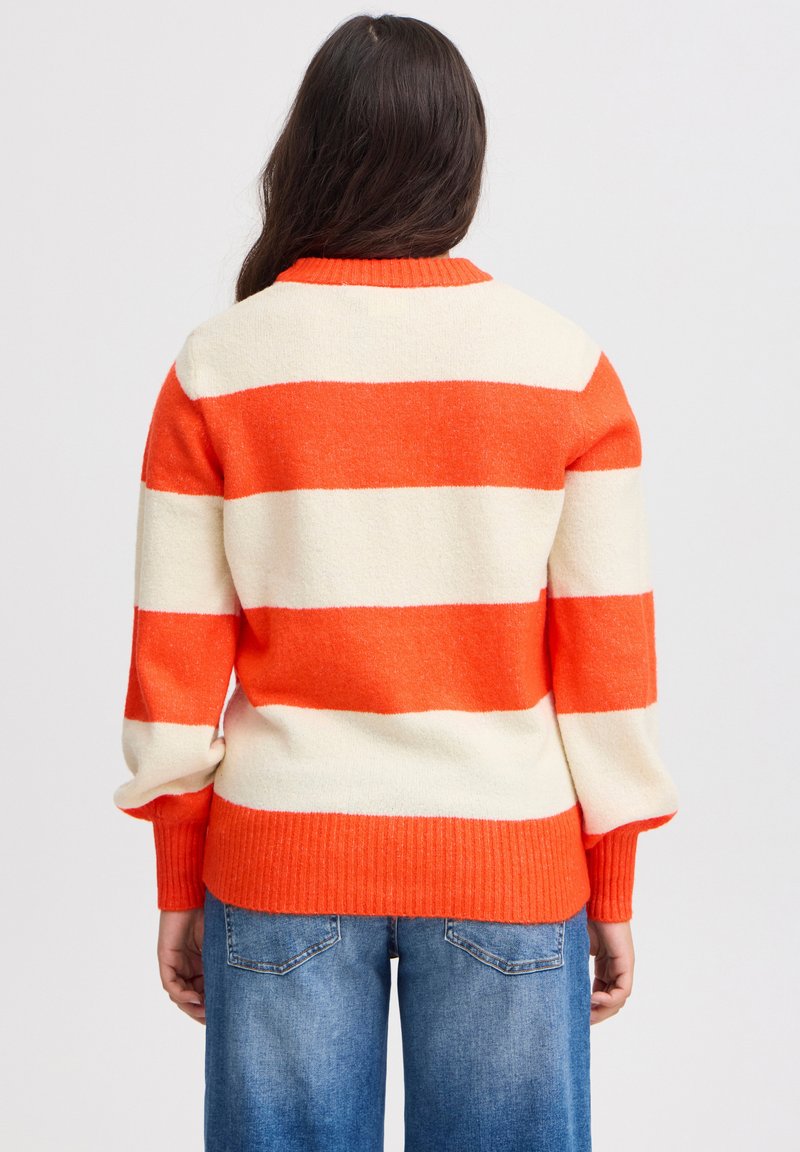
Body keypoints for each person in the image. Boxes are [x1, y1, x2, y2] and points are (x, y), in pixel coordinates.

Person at [112, 13, 679, 1152]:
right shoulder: (563, 366)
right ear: (462, 160)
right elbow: (606, 664)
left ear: (307, 154)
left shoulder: (217, 365)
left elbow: (173, 667)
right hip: (508, 861)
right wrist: (609, 881)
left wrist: (179, 881)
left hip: (278, 858)